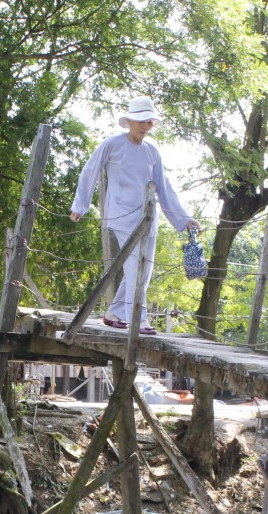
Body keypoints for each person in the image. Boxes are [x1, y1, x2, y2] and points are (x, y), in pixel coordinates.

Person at [70, 96, 200, 335]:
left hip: (148, 218)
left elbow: (164, 187)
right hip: (121, 215)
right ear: (129, 121)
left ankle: (115, 313)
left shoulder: (152, 152)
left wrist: (184, 220)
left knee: (144, 271)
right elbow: (90, 170)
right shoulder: (112, 144)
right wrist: (80, 205)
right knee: (135, 267)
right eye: (141, 121)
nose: (145, 126)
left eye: (149, 122)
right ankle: (138, 319)